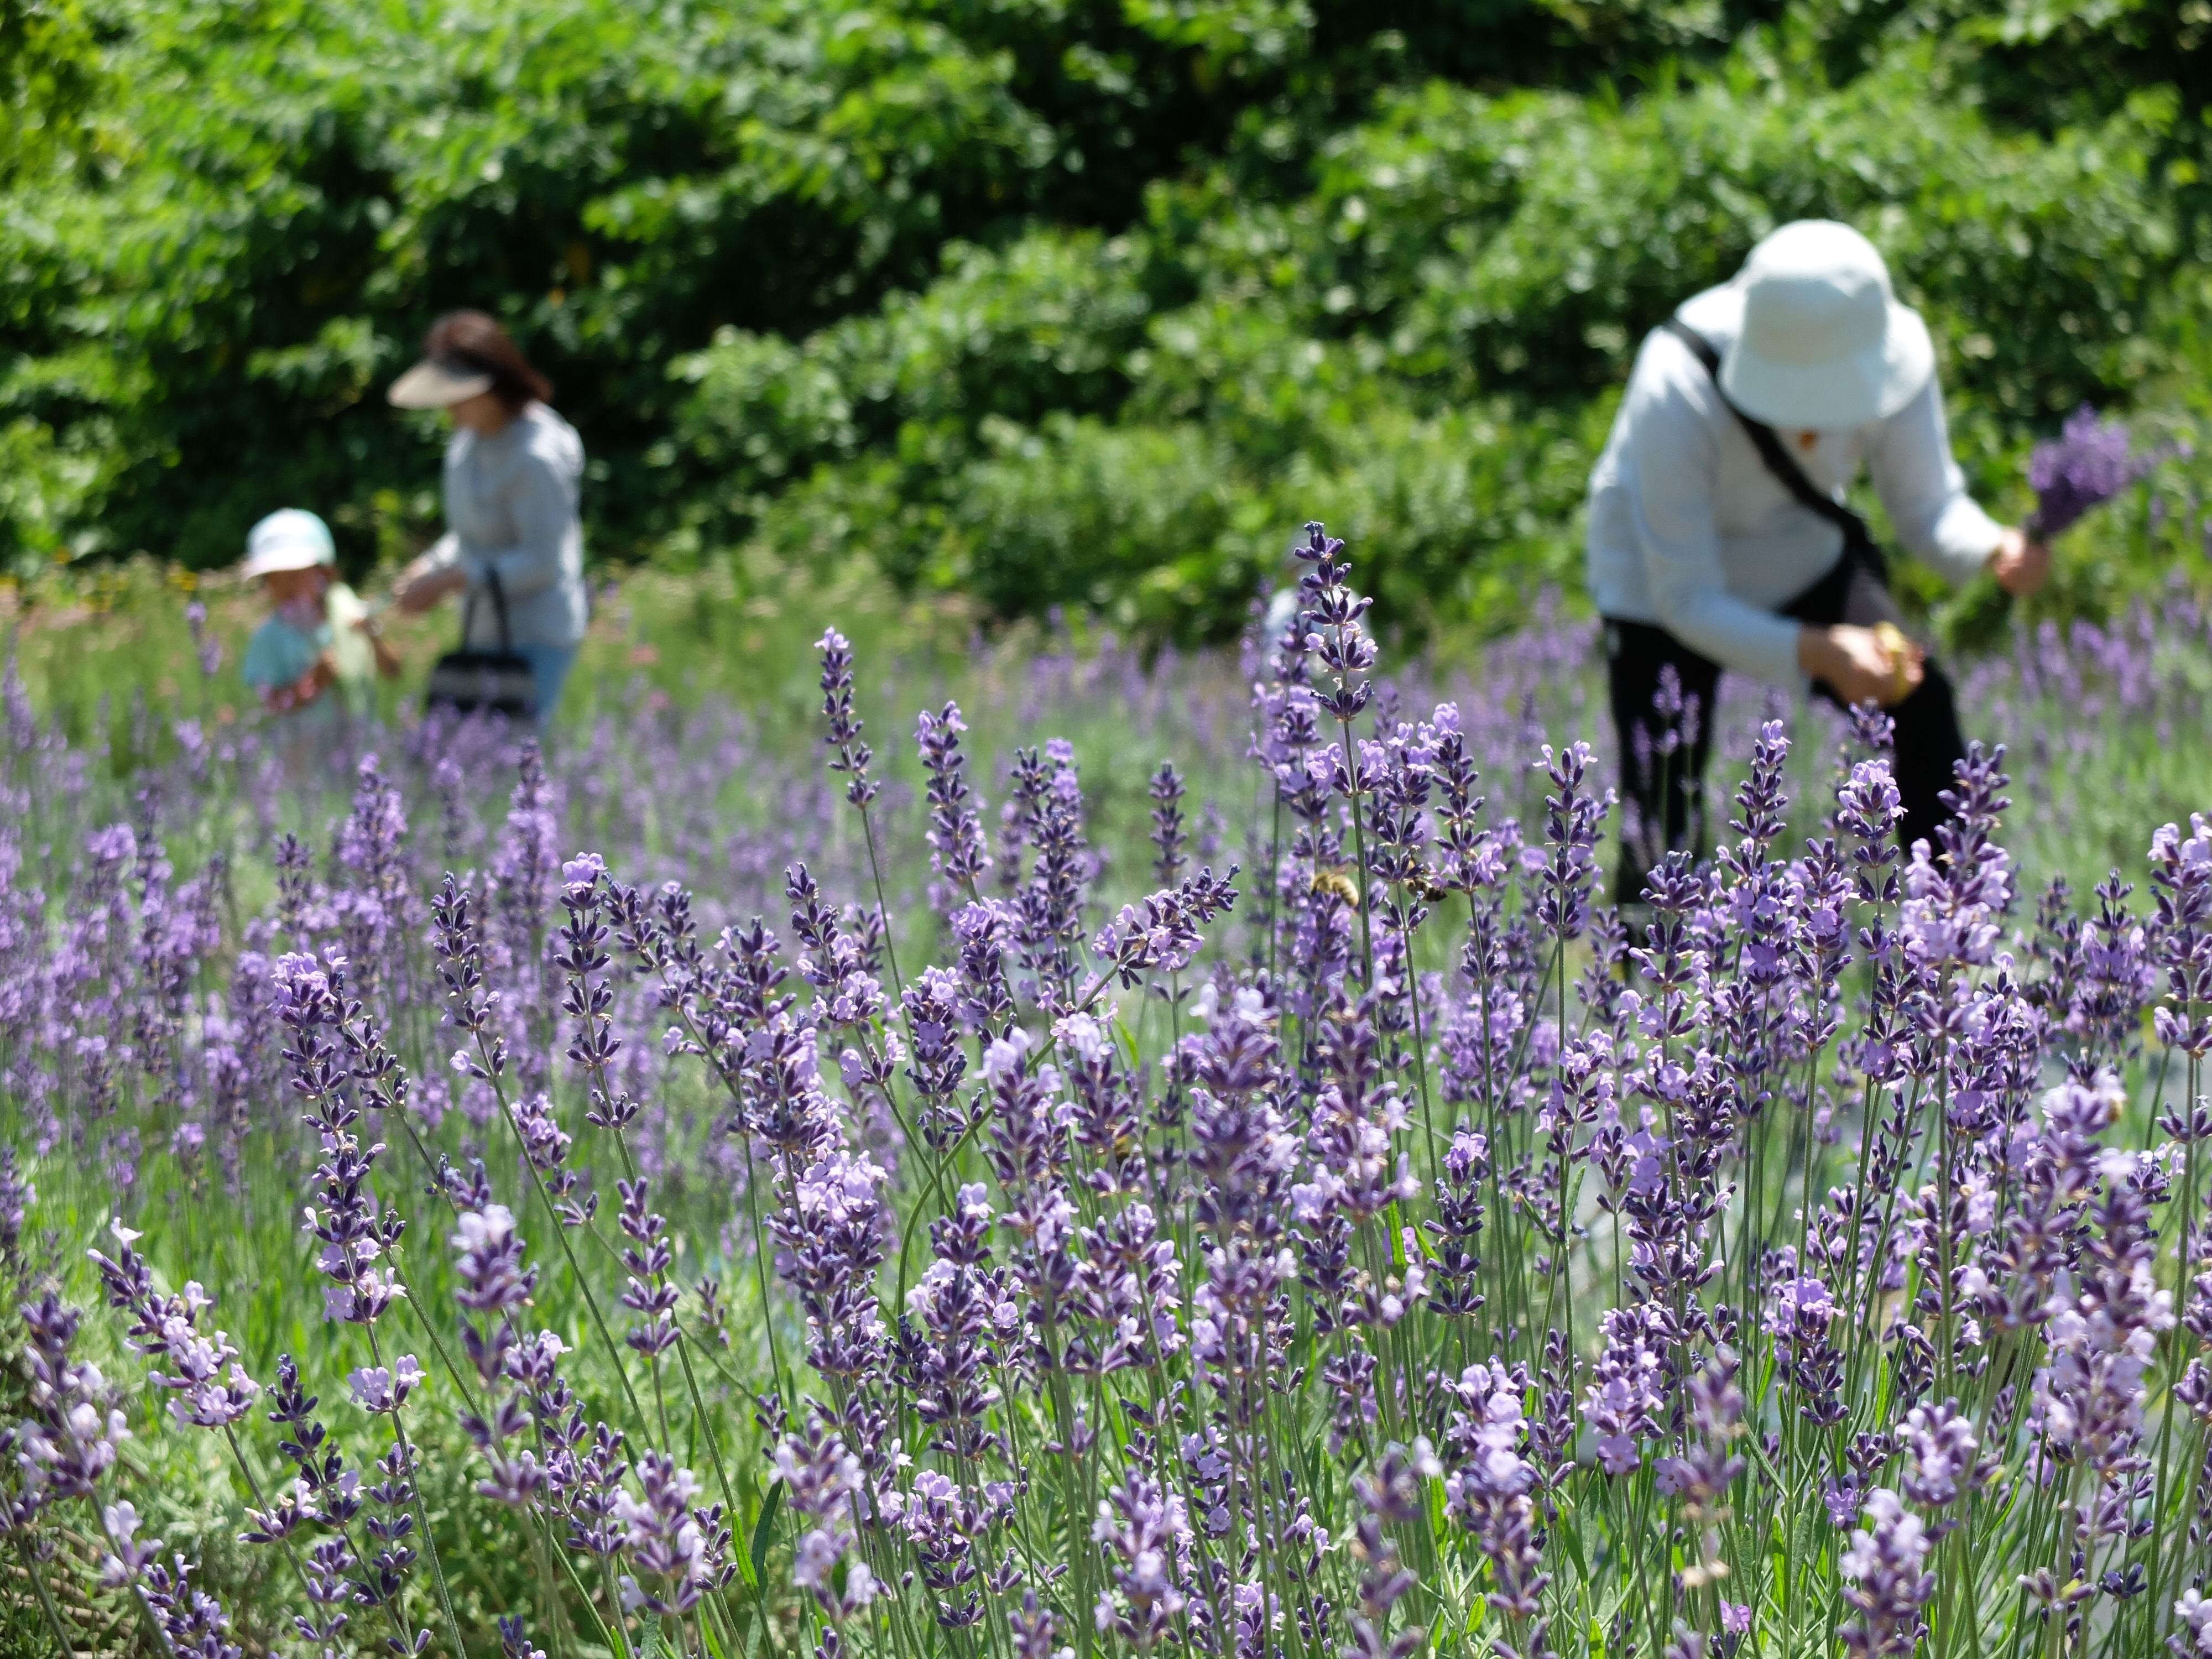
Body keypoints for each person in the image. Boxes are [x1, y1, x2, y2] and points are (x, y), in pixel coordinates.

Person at [1584, 219, 2049, 901]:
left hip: (1798, 547)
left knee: (1918, 701)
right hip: (1656, 580)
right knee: (1660, 815)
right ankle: (1644, 981)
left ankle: (1955, 938)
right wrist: (1818, 651)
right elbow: (1685, 597)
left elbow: (1929, 509)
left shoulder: (1892, 356)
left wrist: (1992, 550)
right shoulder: (1675, 383)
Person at [387, 311, 588, 718]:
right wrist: (428, 566)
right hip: (483, 630)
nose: (449, 409)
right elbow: (467, 535)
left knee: (516, 764)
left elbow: (544, 561)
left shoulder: (536, 457)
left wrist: (454, 580)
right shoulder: (466, 446)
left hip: (536, 634)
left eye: (458, 397)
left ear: (493, 387)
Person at [238, 508, 398, 721]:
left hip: (361, 746)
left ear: (324, 571)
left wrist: (373, 635)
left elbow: (394, 671)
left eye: (295, 576)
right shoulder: (268, 638)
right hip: (305, 749)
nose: (287, 588)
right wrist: (312, 682)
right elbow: (270, 705)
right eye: (274, 579)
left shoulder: (345, 606)